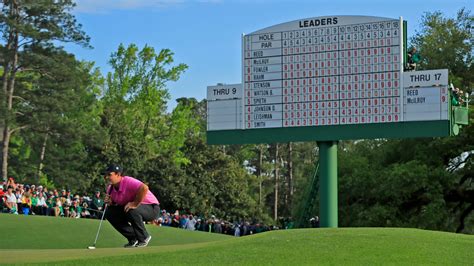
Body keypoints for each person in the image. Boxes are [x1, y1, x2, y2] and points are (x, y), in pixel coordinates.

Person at [103, 164, 160, 248]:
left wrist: (135, 203)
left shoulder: (128, 181)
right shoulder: (110, 189)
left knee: (131, 209)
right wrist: (111, 203)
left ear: (118, 174)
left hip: (151, 208)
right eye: (105, 175)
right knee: (110, 212)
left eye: (109, 175)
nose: (106, 177)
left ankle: (143, 237)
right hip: (133, 209)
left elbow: (144, 188)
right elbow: (119, 205)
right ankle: (133, 238)